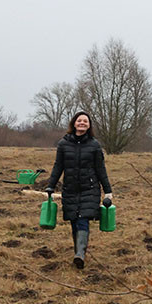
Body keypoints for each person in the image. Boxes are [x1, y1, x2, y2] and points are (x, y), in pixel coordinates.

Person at [44, 111, 112, 269]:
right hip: (70, 189)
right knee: (74, 220)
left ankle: (80, 254)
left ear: (89, 126)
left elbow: (101, 169)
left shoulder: (94, 145)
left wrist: (108, 190)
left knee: (83, 219)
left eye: (85, 121)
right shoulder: (63, 144)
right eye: (79, 121)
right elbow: (58, 166)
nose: (82, 123)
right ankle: (78, 253)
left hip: (90, 188)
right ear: (74, 123)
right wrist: (51, 185)